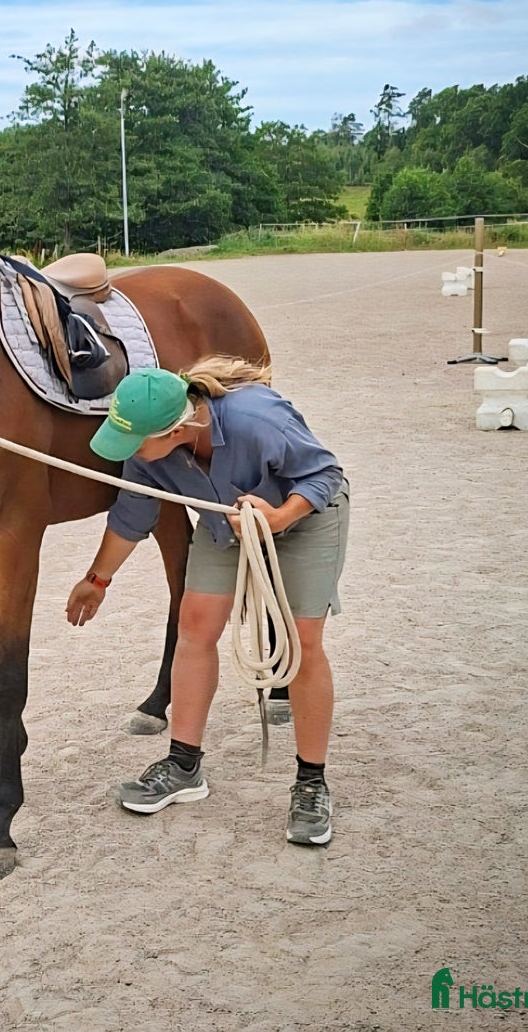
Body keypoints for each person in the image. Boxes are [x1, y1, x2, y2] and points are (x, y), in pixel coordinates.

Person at [66, 358, 349, 846]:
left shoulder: (257, 419)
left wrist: (279, 518)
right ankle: (183, 765)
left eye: (135, 441)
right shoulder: (148, 454)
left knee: (302, 643)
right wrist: (98, 579)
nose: (129, 452)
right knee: (194, 626)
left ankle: (310, 782)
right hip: (226, 527)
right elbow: (131, 516)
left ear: (177, 427)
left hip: (304, 518)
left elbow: (324, 475)